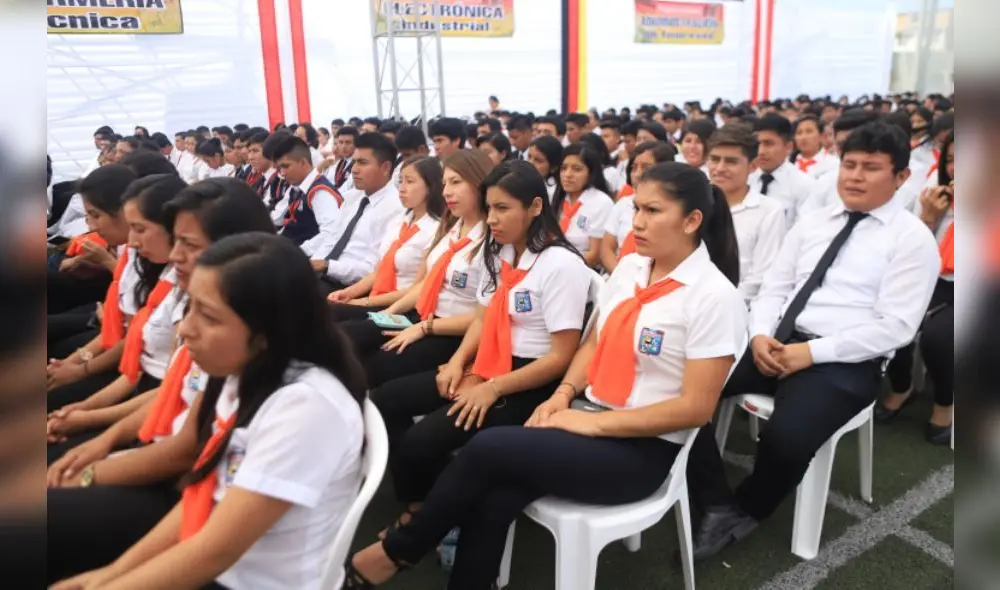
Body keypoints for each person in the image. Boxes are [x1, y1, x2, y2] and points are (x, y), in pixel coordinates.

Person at [345, 161, 745, 590]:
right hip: (585, 414)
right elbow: (593, 344)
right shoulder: (632, 269)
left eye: (652, 212)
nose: (638, 223)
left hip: (642, 451)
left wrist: (591, 422)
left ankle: (400, 550)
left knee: (487, 448)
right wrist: (565, 395)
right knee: (493, 498)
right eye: (636, 210)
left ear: (692, 220)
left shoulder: (714, 297)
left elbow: (695, 408)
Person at [50, 233, 367, 590]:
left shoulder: (306, 409)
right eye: (190, 307)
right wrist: (110, 575)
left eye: (209, 317)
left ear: (267, 331)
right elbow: (203, 493)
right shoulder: (244, 373)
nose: (185, 329)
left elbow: (216, 550)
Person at [686, 121, 941, 562]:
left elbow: (896, 327)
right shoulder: (813, 223)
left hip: (845, 361)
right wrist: (761, 334)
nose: (855, 176)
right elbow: (774, 288)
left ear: (901, 178)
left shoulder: (913, 239)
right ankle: (714, 500)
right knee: (685, 388)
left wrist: (811, 353)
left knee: (786, 437)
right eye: (850, 165)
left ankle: (747, 508)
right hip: (777, 340)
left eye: (871, 168)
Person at [359, 161, 591, 567]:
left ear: (536, 207)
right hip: (488, 363)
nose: (493, 219)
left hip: (526, 379)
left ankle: (438, 520)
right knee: (386, 400)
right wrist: (458, 362)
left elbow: (561, 357)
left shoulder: (561, 265)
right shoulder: (501, 251)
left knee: (422, 439)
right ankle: (422, 505)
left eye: (503, 208)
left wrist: (493, 387)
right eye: (489, 208)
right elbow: (484, 316)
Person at [46, 179, 278, 584]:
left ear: (233, 247)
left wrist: (90, 469)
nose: (174, 256)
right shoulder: (199, 307)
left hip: (175, 489)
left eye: (187, 244)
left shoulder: (247, 343)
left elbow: (188, 463)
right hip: (173, 479)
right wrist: (98, 434)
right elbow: (169, 389)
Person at [334, 150, 494, 387]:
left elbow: (485, 317)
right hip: (418, 315)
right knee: (342, 335)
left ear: (480, 182)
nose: (447, 191)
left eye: (456, 182)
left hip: (449, 330)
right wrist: (390, 313)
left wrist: (423, 327)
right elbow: (425, 285)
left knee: (372, 365)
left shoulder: (490, 240)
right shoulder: (451, 227)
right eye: (445, 183)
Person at [47, 174, 189, 434]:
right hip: (129, 368)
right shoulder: (158, 264)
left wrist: (82, 371)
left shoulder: (186, 286)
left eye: (95, 215)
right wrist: (77, 367)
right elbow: (136, 347)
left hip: (141, 385)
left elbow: (167, 387)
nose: (90, 224)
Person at [877, 130, 954, 444]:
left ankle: (944, 402)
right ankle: (902, 385)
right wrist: (930, 217)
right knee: (887, 314)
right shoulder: (933, 194)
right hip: (934, 279)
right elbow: (910, 249)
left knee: (937, 338)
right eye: (952, 159)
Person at [48, 166, 139, 380]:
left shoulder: (150, 252)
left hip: (114, 329)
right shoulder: (132, 245)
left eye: (95, 215)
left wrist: (80, 367)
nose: (91, 224)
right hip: (109, 317)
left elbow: (134, 338)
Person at [326, 156, 444, 319]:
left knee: (334, 319)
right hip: (378, 296)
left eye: (410, 182)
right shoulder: (400, 220)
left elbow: (415, 289)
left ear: (431, 187)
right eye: (400, 181)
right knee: (325, 309)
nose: (402, 189)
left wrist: (363, 302)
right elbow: (379, 270)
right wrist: (348, 293)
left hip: (403, 306)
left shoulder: (435, 230)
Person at [310, 133, 404, 295]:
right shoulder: (352, 197)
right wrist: (312, 263)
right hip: (326, 274)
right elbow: (332, 239)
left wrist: (327, 265)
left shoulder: (396, 208)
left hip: (355, 287)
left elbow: (374, 269)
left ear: (386, 168)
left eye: (362, 163)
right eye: (354, 162)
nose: (354, 170)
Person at [707, 125, 787, 304]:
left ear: (752, 166)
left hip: (737, 306)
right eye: (714, 159)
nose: (719, 168)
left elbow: (761, 277)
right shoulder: (694, 203)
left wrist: (718, 304)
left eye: (730, 161)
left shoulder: (769, 211)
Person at [599, 141, 677, 272]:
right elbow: (606, 249)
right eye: (634, 167)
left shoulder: (673, 207)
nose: (637, 174)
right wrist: (621, 277)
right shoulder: (623, 203)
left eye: (646, 167)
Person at [268, 134, 344, 253]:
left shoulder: (320, 191)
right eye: (280, 168)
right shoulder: (296, 187)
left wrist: (297, 251)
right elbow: (278, 219)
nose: (282, 173)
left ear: (303, 162)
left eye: (285, 166)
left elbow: (330, 233)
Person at [750, 114, 817, 228]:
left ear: (788, 147)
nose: (761, 151)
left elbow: (803, 231)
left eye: (768, 144)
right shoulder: (747, 179)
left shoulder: (805, 186)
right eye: (757, 144)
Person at [553, 143, 614, 268]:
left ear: (591, 174)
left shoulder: (601, 202)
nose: (568, 174)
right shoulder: (561, 198)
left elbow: (594, 255)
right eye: (564, 168)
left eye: (577, 169)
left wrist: (559, 268)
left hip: (584, 270)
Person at [527, 135, 563, 201]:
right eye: (529, 157)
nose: (530, 163)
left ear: (553, 167)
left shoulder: (552, 192)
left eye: (538, 160)